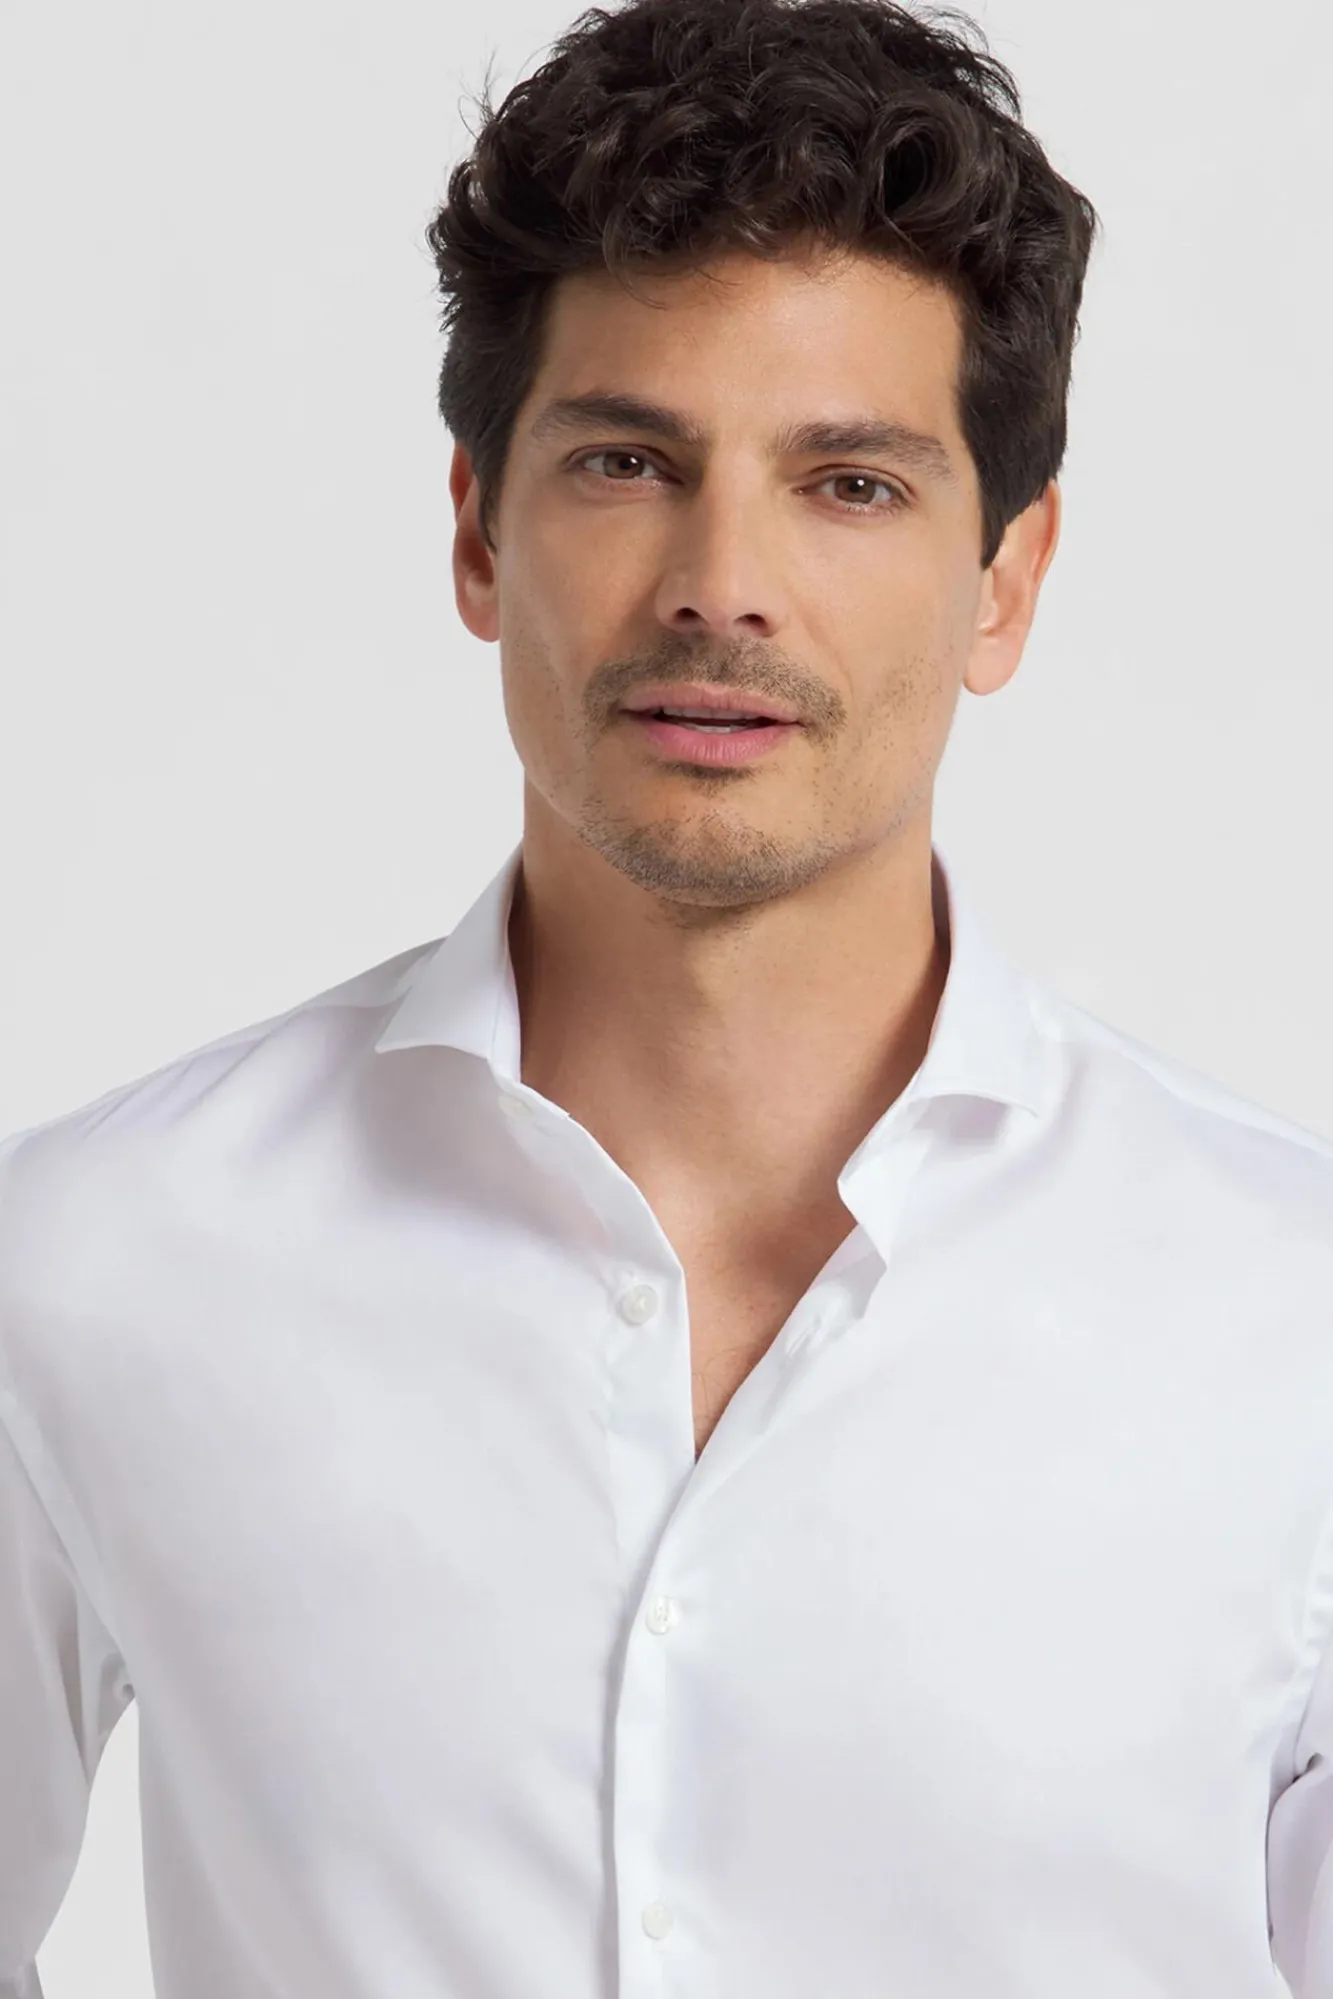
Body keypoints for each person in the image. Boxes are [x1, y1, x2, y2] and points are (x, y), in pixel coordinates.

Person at [3, 0, 1332, 1992]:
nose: (723, 583)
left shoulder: (1292, 1327)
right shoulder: (96, 1265)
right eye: (629, 461)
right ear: (479, 529)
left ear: (1007, 576)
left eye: (849, 483)